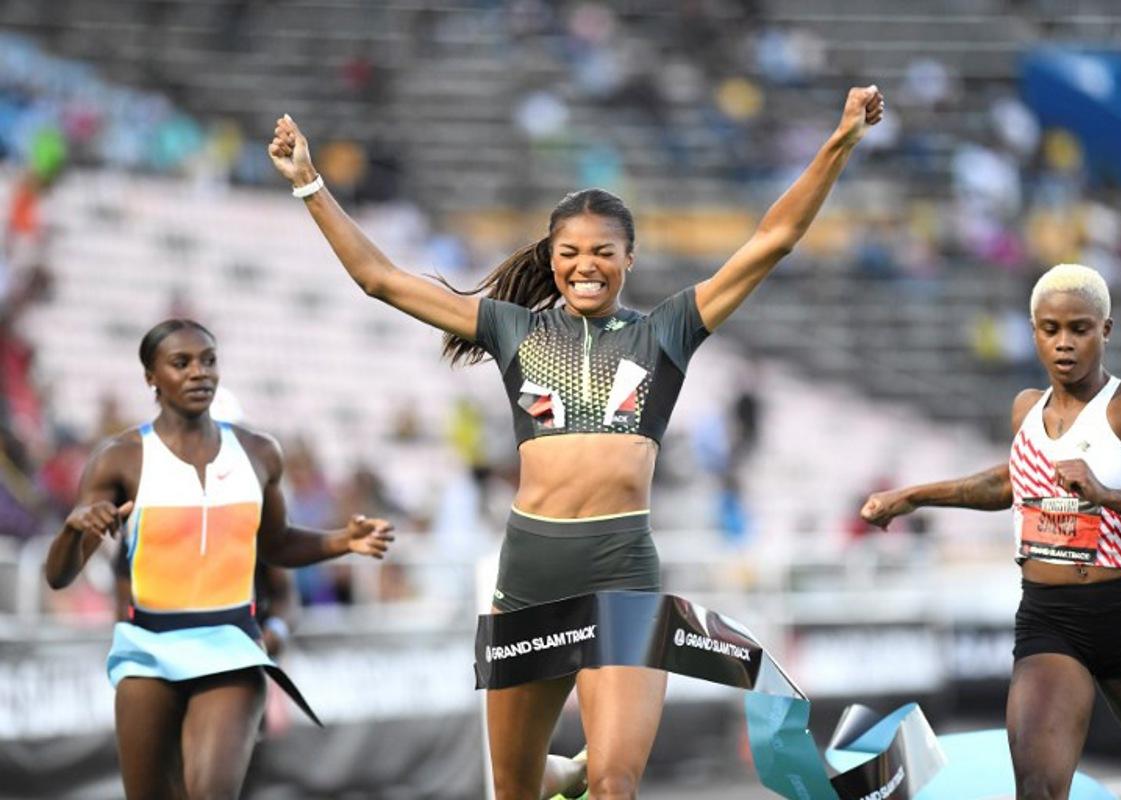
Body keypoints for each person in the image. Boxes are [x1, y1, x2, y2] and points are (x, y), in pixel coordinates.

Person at [269, 84, 883, 800]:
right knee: (517, 790)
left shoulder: (667, 332)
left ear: (629, 258)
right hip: (528, 582)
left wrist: (840, 140)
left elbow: (772, 239)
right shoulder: (512, 329)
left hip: (622, 574)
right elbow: (379, 279)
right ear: (551, 257)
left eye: (602, 252)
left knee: (617, 787)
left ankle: (593, 771)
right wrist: (310, 182)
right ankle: (569, 770)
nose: (585, 264)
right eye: (569, 252)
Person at [860, 263, 1121, 800]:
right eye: (1050, 329)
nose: (1064, 344)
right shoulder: (1026, 409)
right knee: (1038, 788)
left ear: (1105, 330)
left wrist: (1107, 496)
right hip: (1050, 620)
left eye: (1080, 329)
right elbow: (1009, 483)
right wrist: (913, 496)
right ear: (1033, 329)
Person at [44, 319, 394, 800]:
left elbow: (275, 545)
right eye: (181, 363)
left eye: (209, 360)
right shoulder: (119, 458)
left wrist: (342, 541)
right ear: (150, 376)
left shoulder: (258, 452)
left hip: (231, 646)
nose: (199, 373)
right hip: (147, 651)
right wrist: (73, 528)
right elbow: (59, 576)